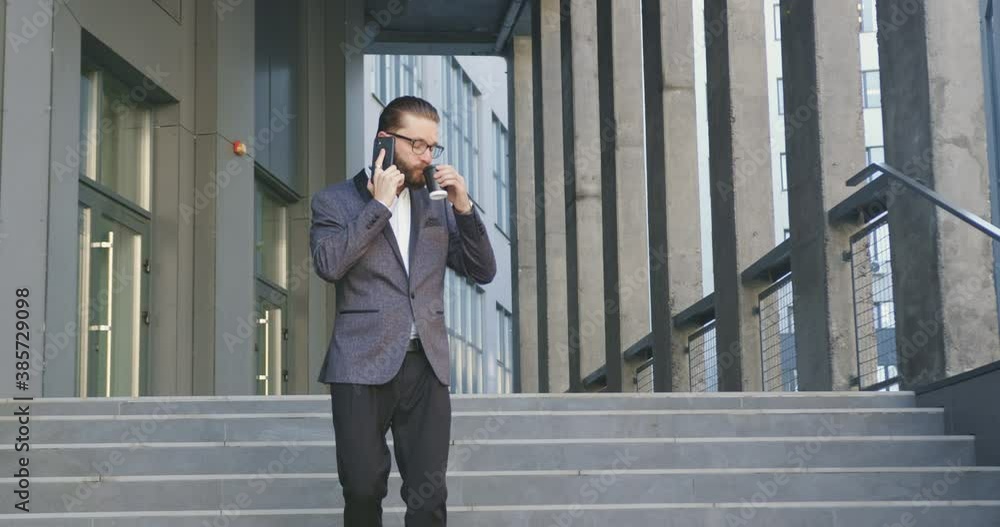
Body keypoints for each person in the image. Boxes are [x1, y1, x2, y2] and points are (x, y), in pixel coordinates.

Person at [310, 95, 496, 526]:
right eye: (417, 145)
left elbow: (483, 270)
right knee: (361, 489)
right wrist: (379, 206)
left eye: (433, 148)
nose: (427, 157)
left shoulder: (437, 202)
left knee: (429, 498)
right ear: (385, 140)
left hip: (426, 366)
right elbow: (330, 264)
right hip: (360, 365)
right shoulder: (334, 202)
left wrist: (464, 207)